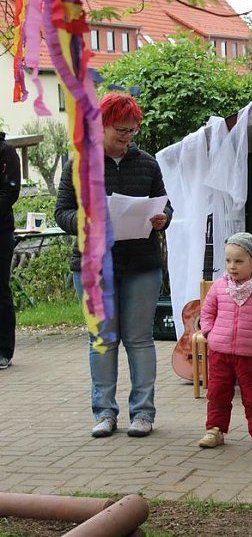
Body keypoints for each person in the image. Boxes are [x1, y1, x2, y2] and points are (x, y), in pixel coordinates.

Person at [55, 92, 172, 438]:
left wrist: (161, 218)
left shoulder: (148, 164)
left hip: (142, 264)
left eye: (133, 131)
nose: (127, 137)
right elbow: (62, 213)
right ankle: (104, 413)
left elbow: (166, 206)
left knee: (139, 339)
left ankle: (143, 413)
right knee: (103, 340)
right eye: (121, 130)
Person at [197, 232, 252, 452]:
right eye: (228, 261)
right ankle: (215, 429)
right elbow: (207, 312)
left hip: (251, 353)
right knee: (217, 393)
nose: (232, 266)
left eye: (238, 261)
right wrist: (209, 332)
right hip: (220, 352)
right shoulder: (219, 286)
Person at [0, 132, 21, 370]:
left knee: (0, 291)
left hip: (1, 231)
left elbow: (10, 192)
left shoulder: (6, 151)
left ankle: (4, 350)